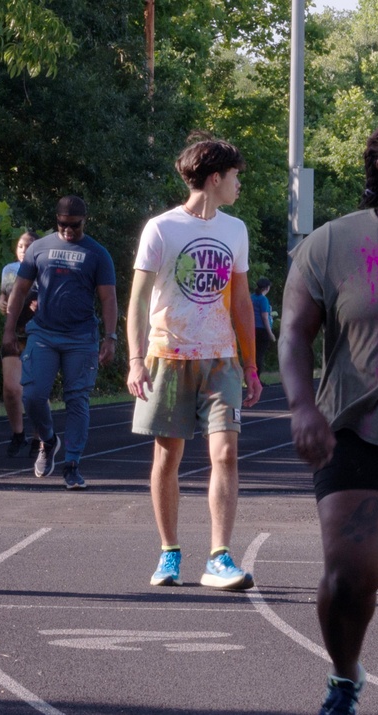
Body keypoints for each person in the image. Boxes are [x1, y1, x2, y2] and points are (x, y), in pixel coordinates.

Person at [126, 134, 262, 591]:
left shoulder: (235, 230)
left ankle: (219, 556)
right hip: (169, 355)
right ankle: (169, 553)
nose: (239, 184)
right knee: (168, 457)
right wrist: (135, 359)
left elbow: (241, 302)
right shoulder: (161, 229)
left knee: (226, 452)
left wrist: (251, 365)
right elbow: (139, 299)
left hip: (221, 359)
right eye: (236, 176)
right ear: (215, 177)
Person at [278, 125, 378, 715]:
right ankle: (345, 676)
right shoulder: (332, 243)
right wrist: (300, 405)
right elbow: (294, 332)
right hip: (355, 428)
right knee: (348, 579)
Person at [2, 196, 118, 489]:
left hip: (81, 337)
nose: (68, 230)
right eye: (63, 224)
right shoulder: (39, 248)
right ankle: (48, 440)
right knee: (32, 395)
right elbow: (19, 291)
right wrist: (9, 330)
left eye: (74, 225)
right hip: (43, 333)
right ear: (56, 220)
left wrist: (110, 336)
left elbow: (108, 298)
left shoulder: (97, 254)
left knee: (77, 399)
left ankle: (73, 463)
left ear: (84, 220)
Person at [0, 231, 39, 457]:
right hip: (13, 334)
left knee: (34, 391)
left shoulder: (45, 270)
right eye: (21, 245)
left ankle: (38, 437)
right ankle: (18, 434)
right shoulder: (8, 270)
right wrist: (2, 303)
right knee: (12, 389)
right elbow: (2, 297)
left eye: (30, 245)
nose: (24, 250)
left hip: (38, 335)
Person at [251, 276, 276, 379]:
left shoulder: (252, 297)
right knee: (259, 355)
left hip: (253, 328)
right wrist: (270, 333)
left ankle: (252, 377)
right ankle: (257, 378)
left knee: (254, 354)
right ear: (266, 288)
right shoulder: (263, 299)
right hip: (262, 329)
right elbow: (265, 317)